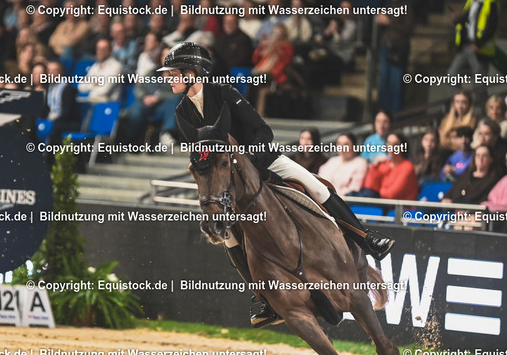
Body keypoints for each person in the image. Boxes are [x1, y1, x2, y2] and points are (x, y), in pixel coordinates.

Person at [158, 42, 394, 328]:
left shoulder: (224, 92)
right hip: (231, 181)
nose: (168, 78)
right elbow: (202, 154)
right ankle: (263, 298)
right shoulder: (182, 112)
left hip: (265, 160)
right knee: (229, 236)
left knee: (316, 187)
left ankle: (366, 238)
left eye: (173, 73)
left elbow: (262, 130)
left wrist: (250, 159)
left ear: (191, 73)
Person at [447, 0, 499, 101]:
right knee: (452, 75)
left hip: (479, 50)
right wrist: (457, 19)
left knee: (478, 85)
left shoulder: (490, 2)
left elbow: (492, 28)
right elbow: (466, 22)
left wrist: (479, 44)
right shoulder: (470, 1)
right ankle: (456, 106)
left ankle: (480, 109)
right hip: (465, 46)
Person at [357, 133, 418, 200]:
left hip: (398, 205)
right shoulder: (384, 163)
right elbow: (369, 186)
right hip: (380, 201)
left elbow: (391, 194)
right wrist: (375, 166)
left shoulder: (407, 167)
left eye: (395, 144)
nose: (391, 147)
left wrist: (377, 192)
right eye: (389, 143)